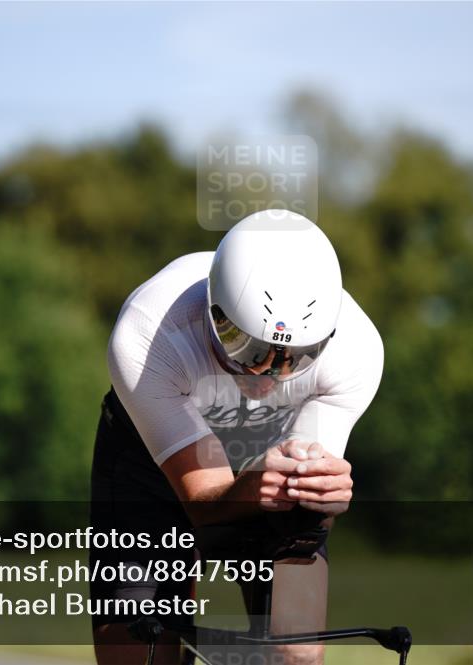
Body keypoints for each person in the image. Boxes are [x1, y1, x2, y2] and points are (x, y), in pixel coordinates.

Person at [91, 209, 383, 665]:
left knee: (296, 653)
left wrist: (323, 501)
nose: (268, 374)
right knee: (140, 652)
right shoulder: (148, 335)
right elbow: (202, 504)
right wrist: (248, 485)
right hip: (149, 463)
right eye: (248, 349)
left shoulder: (356, 351)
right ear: (213, 311)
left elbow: (303, 511)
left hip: (271, 458)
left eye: (297, 359)